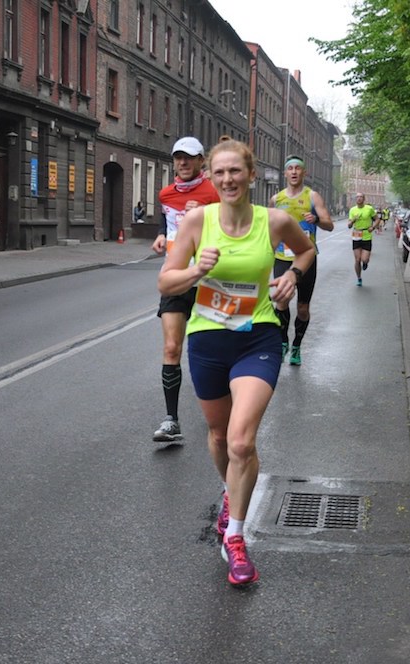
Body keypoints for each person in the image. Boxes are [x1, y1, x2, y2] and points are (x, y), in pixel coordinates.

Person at [157, 138, 315, 585]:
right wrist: (195, 271)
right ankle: (232, 492)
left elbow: (306, 250)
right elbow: (165, 281)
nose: (228, 179)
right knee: (219, 435)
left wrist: (292, 275)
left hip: (257, 337)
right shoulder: (197, 221)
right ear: (212, 175)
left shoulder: (274, 220)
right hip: (207, 339)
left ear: (251, 174)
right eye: (220, 172)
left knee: (241, 443)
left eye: (236, 171)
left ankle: (236, 537)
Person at [150, 137, 220, 443]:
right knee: (171, 348)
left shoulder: (214, 193)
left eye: (189, 157)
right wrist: (160, 235)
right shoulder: (166, 193)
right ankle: (171, 420)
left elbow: (230, 229)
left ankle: (221, 404)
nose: (183, 162)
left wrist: (205, 213)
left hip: (210, 278)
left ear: (201, 161)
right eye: (178, 157)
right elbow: (167, 221)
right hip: (177, 277)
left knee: (210, 349)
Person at [269, 155, 334, 366]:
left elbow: (329, 224)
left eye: (298, 168)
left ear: (304, 173)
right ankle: (283, 341)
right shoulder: (276, 199)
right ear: (285, 173)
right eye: (290, 169)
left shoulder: (312, 196)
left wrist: (316, 219)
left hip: (306, 258)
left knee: (303, 308)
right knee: (281, 300)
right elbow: (268, 228)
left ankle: (297, 345)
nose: (294, 172)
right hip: (282, 257)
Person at [347, 193, 376, 286]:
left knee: (364, 259)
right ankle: (359, 278)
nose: (359, 198)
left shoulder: (369, 209)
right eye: (357, 197)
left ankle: (366, 262)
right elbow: (349, 225)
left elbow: (377, 219)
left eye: (361, 197)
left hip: (367, 235)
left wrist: (373, 227)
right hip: (356, 235)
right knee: (357, 259)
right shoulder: (352, 210)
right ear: (355, 199)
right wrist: (353, 220)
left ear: (364, 199)